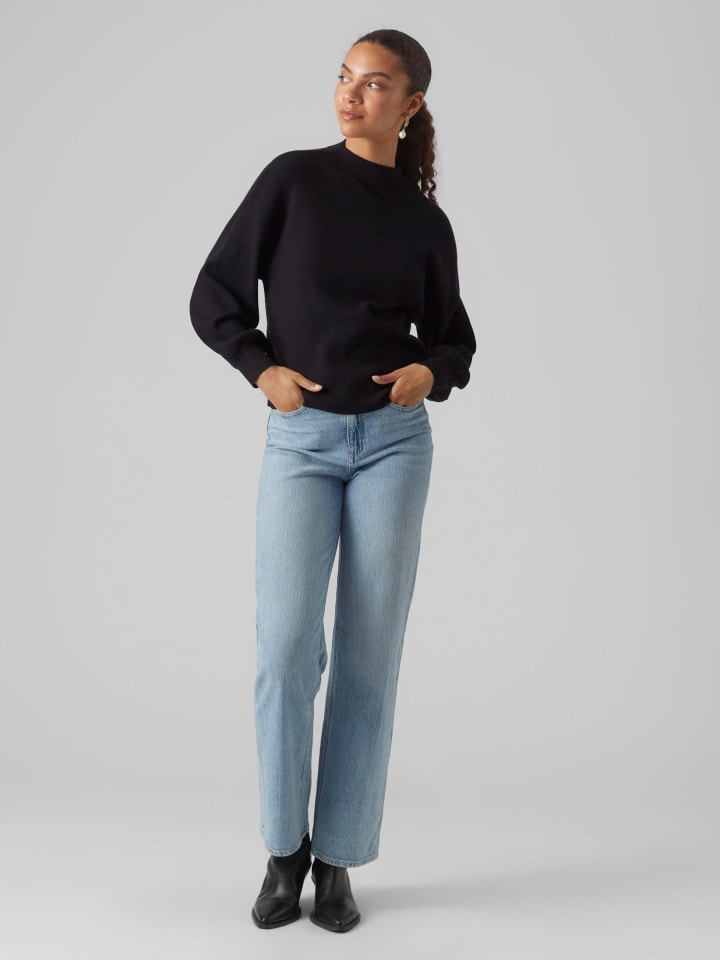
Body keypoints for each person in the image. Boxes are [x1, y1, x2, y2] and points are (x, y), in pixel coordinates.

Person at [189, 27, 476, 933]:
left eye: (375, 83)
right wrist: (262, 369)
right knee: (284, 651)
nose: (351, 94)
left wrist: (432, 371)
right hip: (302, 441)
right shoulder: (293, 181)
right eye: (345, 77)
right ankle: (285, 852)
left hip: (394, 444)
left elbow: (455, 339)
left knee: (367, 659)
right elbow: (213, 293)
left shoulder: (424, 223)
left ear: (411, 104)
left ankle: (339, 858)